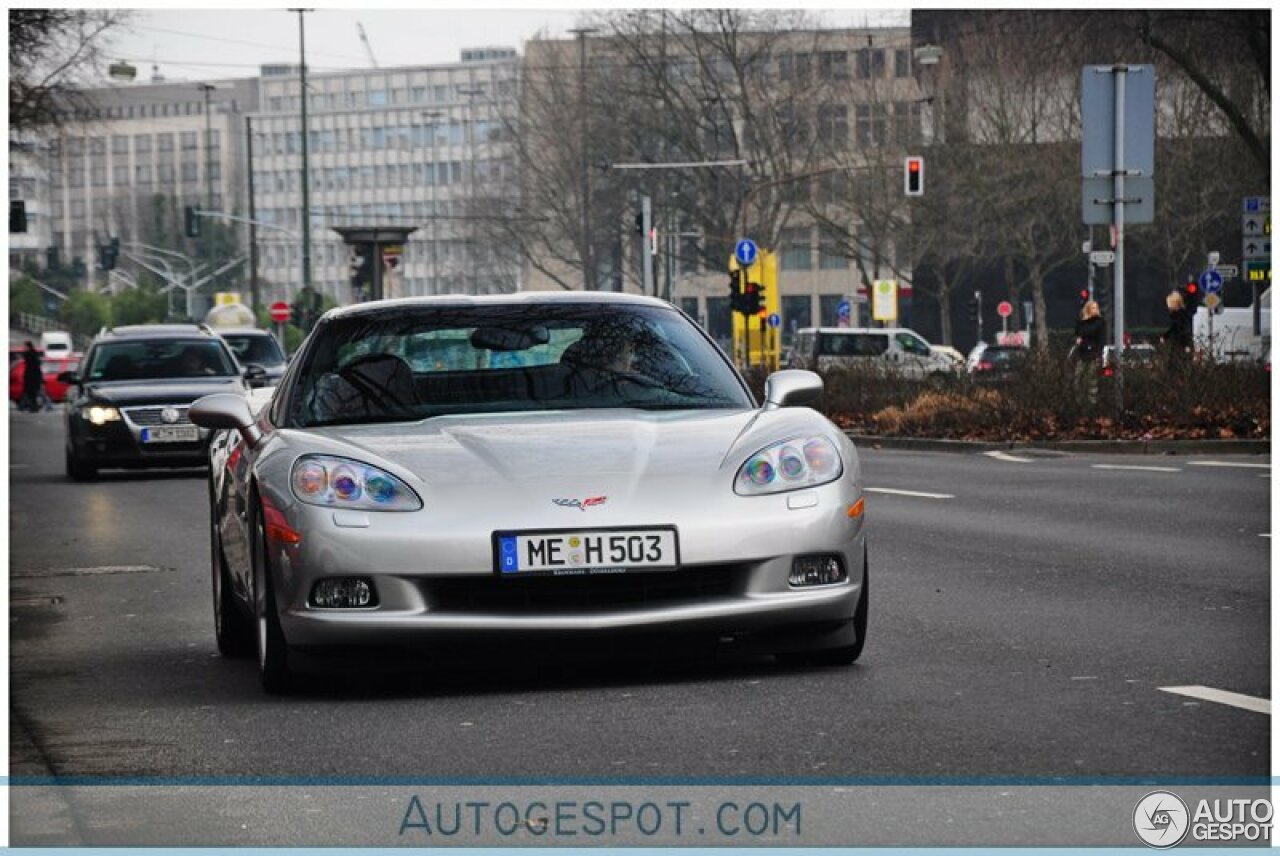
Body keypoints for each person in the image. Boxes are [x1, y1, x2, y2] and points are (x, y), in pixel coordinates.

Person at [1159, 290, 1194, 359]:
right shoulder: (1182, 314)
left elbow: (1176, 328)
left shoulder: (1178, 315)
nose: (1168, 306)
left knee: (1175, 362)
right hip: (1182, 344)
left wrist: (1165, 336)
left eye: (1169, 304)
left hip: (1180, 344)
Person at [20, 341, 43, 412]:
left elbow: (32, 367)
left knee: (32, 393)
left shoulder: (30, 355)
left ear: (28, 347)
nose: (24, 348)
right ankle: (32, 407)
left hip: (32, 378)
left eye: (25, 347)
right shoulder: (33, 354)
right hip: (33, 378)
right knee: (32, 394)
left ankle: (33, 407)